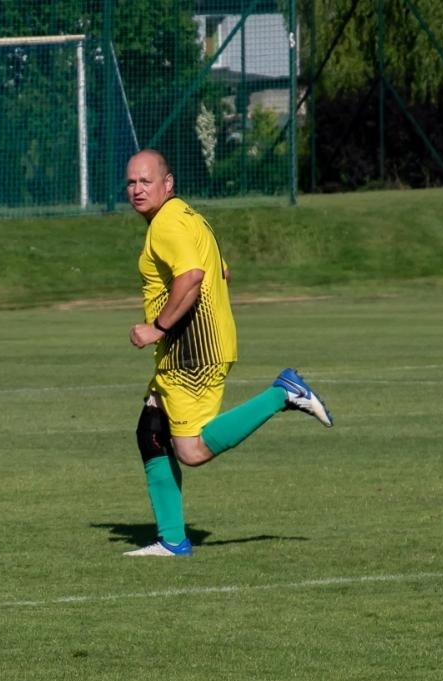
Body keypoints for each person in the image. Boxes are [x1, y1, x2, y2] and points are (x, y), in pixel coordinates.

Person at [122, 148, 333, 557]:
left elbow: (193, 276)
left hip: (192, 352)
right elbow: (222, 270)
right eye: (131, 182)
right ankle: (172, 540)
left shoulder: (167, 224)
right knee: (150, 432)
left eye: (146, 181)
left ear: (168, 184)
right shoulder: (188, 217)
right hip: (192, 346)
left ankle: (282, 394)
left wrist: (157, 327)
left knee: (191, 450)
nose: (136, 189)